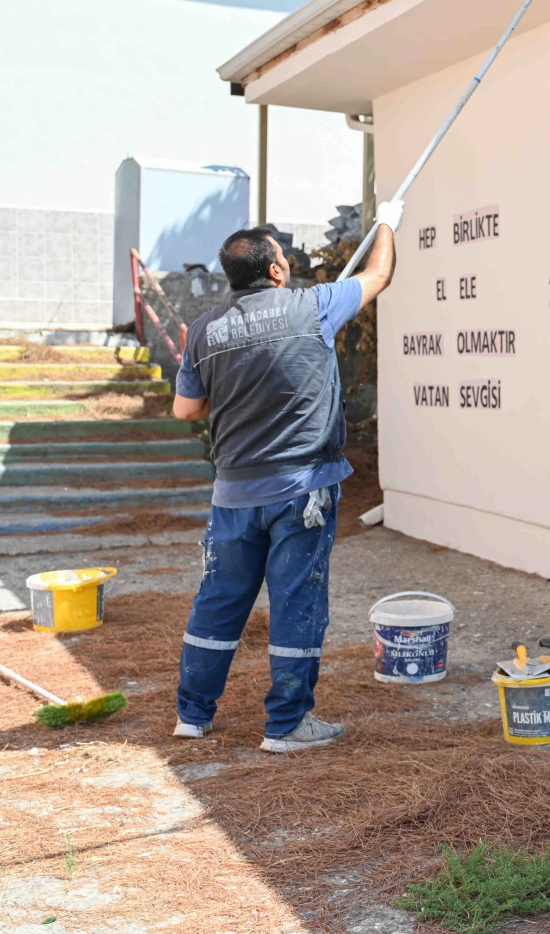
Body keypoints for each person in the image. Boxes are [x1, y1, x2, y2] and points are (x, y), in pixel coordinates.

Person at [170, 223, 395, 752]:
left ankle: (192, 715)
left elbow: (186, 408)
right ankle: (288, 724)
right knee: (297, 602)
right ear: (275, 270)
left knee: (219, 601)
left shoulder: (204, 331)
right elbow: (379, 272)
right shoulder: (311, 307)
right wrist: (387, 220)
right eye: (283, 259)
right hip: (301, 491)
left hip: (233, 496)